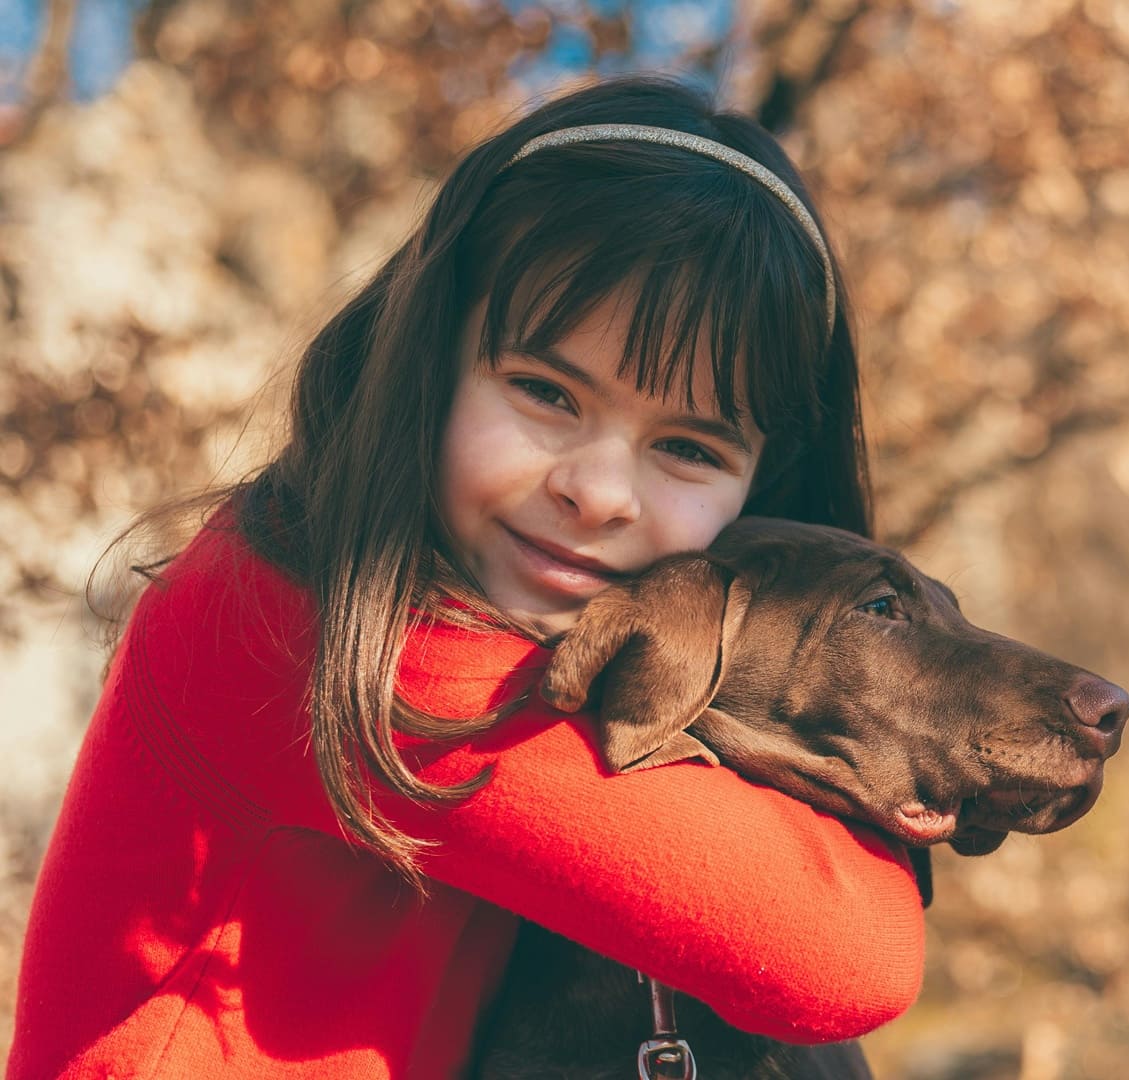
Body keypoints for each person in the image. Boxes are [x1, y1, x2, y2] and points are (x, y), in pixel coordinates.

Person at [8, 74, 925, 1078]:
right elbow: (844, 952)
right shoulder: (308, 627)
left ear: (762, 489)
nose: (598, 490)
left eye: (690, 450)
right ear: (429, 356)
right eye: (545, 392)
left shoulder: (518, 630)